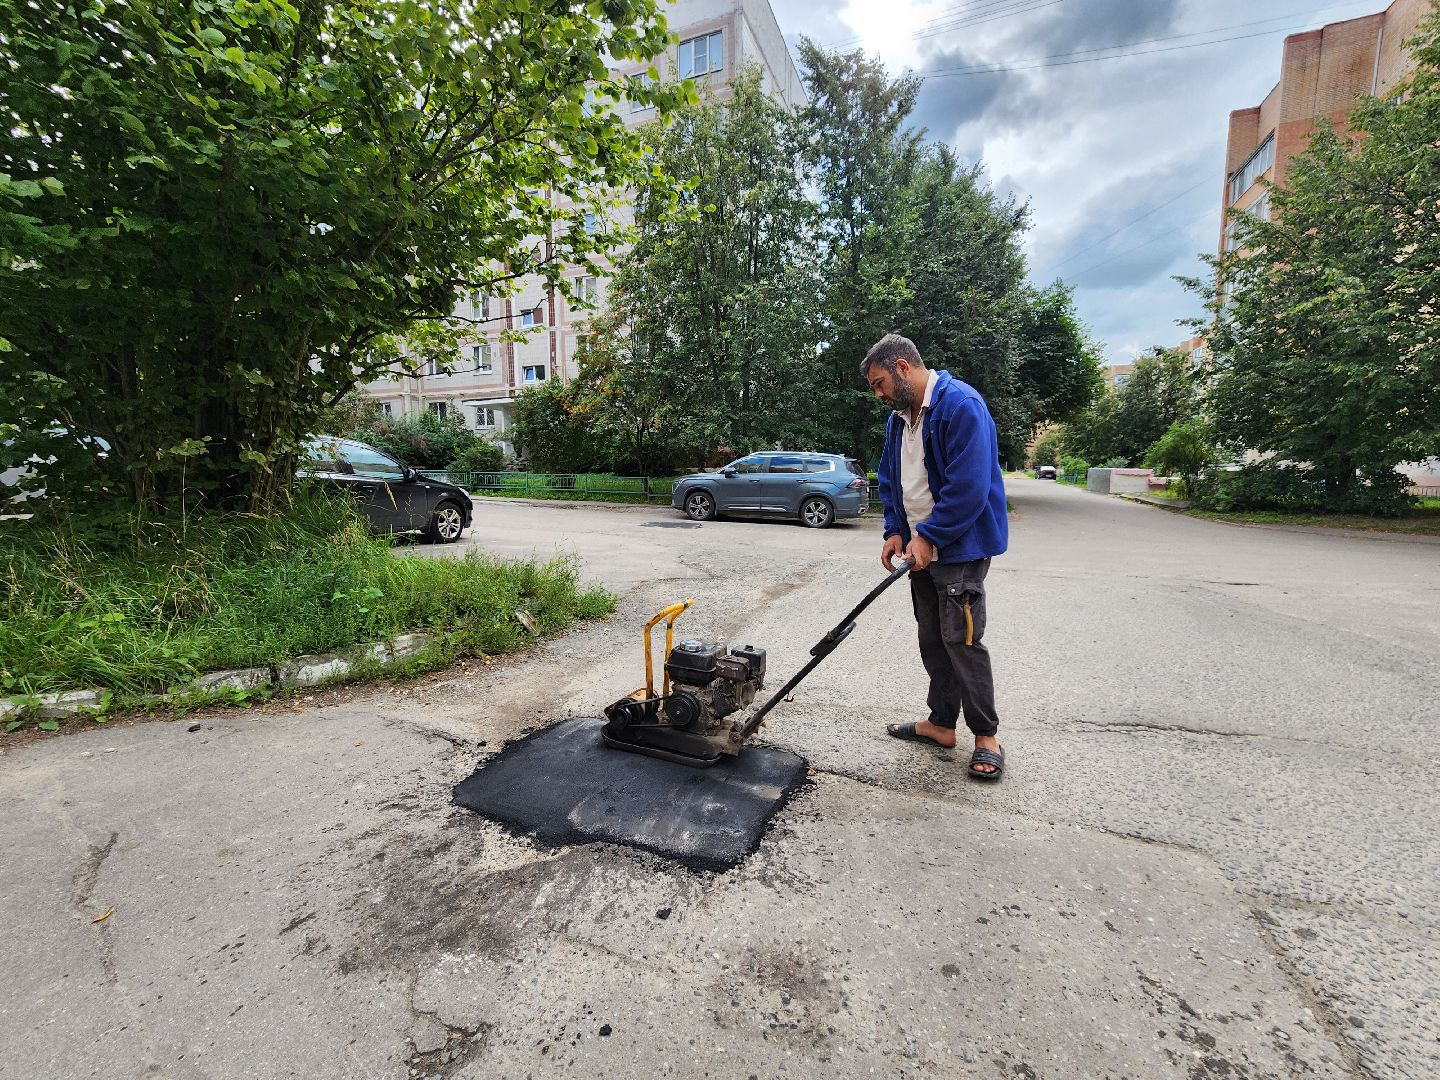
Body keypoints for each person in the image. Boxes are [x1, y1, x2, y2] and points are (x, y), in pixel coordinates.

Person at [861, 333, 1009, 780]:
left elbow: (970, 486)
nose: (879, 394)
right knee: (932, 638)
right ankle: (942, 724)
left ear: (904, 367)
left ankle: (986, 736)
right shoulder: (899, 420)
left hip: (958, 547)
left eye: (880, 382)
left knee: (961, 640)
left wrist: (930, 537)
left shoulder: (960, 405)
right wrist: (894, 530)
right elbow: (891, 479)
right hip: (918, 549)